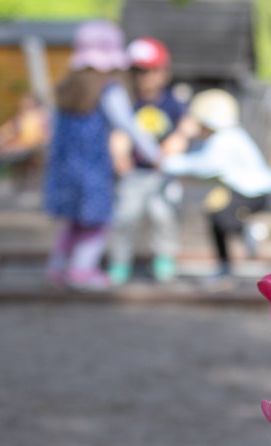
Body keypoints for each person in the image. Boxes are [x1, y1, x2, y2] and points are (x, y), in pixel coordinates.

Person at [42, 21, 161, 290]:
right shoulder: (108, 89)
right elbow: (127, 123)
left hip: (65, 166)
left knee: (75, 221)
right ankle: (81, 271)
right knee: (97, 222)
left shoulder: (67, 87)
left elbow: (53, 128)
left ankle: (58, 267)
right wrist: (153, 152)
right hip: (93, 168)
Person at [162, 89, 271, 276]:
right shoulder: (229, 135)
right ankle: (225, 264)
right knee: (214, 214)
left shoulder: (224, 139)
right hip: (244, 190)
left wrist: (167, 162)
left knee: (221, 217)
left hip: (252, 192)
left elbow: (205, 166)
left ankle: (248, 232)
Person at [107, 37, 187, 285]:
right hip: (134, 174)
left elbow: (182, 131)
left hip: (162, 174)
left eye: (150, 71)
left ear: (164, 71)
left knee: (164, 217)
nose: (144, 77)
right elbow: (119, 133)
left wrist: (173, 148)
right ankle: (119, 261)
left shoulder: (172, 102)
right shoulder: (127, 102)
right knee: (125, 218)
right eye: (138, 71)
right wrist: (119, 154)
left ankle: (164, 258)